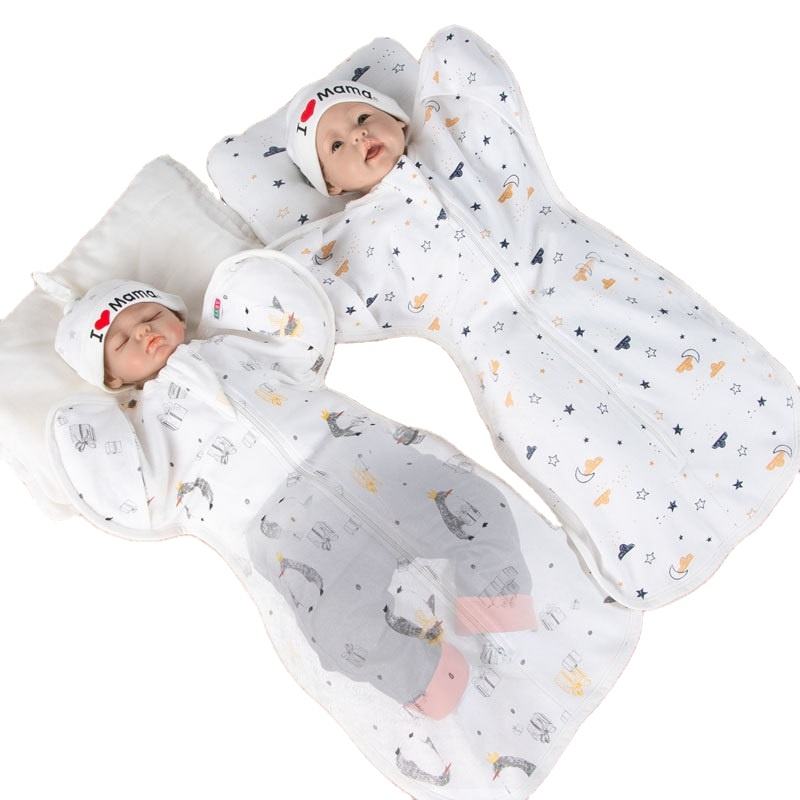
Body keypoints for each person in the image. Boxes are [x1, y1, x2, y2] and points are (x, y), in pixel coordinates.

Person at [49, 261, 540, 720]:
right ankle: (426, 675)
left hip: (357, 462)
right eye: (122, 341)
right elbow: (144, 493)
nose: (143, 333)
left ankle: (496, 613)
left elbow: (297, 341)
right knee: (338, 629)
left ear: (178, 316)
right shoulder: (144, 427)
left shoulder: (234, 348)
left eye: (150, 316)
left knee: (475, 504)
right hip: (287, 535)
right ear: (113, 378)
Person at [286, 80, 408, 197]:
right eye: (337, 145)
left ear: (396, 119)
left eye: (362, 118)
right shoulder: (363, 212)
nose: (356, 133)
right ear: (330, 185)